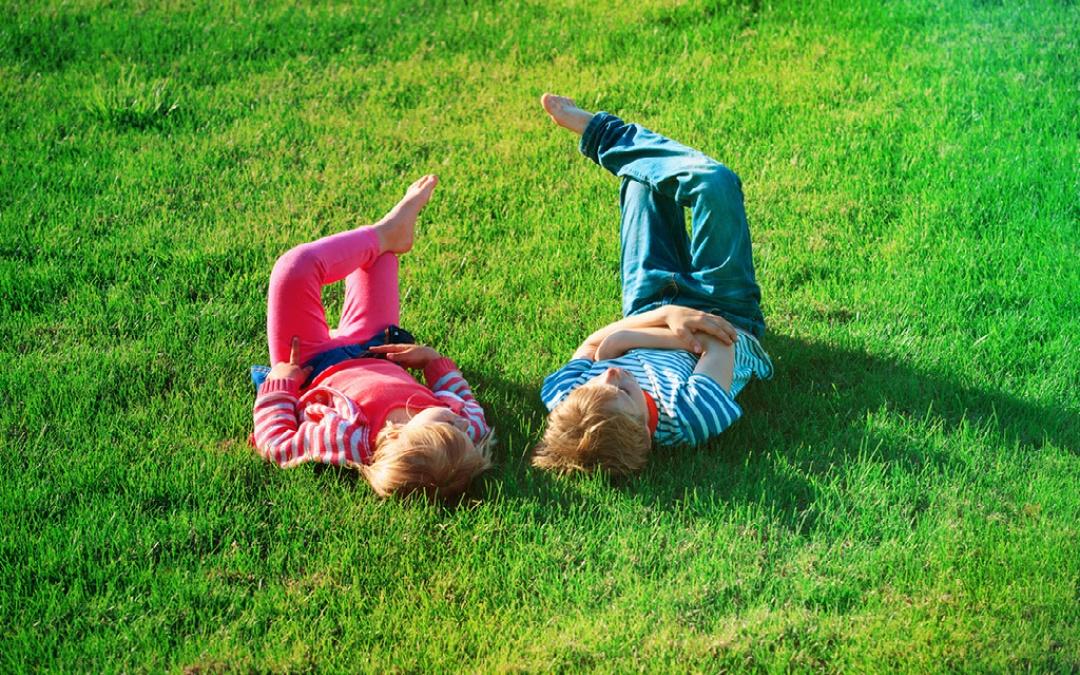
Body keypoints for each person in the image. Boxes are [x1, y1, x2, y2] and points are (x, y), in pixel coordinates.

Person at [533, 95, 773, 475]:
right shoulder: (690, 417)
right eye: (622, 390)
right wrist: (638, 339)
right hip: (727, 312)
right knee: (715, 184)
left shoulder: (565, 399)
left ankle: (610, 138)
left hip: (650, 307)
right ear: (644, 432)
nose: (610, 374)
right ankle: (604, 134)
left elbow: (595, 344)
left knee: (641, 183)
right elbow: (719, 341)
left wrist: (661, 317)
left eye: (598, 382)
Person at [252, 175, 492, 498]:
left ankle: (386, 232)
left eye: (453, 426)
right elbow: (469, 407)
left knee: (293, 270)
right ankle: (390, 236)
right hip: (378, 345)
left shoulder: (350, 440)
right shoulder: (463, 434)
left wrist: (280, 386)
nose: (464, 424)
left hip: (310, 362)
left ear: (401, 435)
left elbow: (277, 445)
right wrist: (434, 363)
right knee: (380, 258)